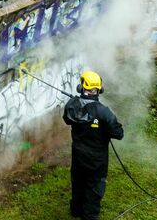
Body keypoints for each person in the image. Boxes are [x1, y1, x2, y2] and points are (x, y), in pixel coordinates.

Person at [63, 70, 125, 220]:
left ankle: (76, 210)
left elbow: (67, 119)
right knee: (94, 187)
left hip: (78, 156)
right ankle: (89, 216)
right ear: (99, 90)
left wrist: (77, 102)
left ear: (81, 87)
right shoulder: (104, 112)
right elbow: (119, 133)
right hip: (97, 160)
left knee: (78, 182)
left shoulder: (72, 106)